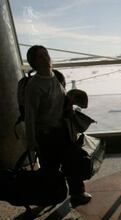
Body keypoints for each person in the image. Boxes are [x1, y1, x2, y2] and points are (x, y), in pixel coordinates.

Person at [24, 45, 92, 207]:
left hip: (62, 130)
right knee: (51, 168)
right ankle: (51, 196)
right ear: (34, 62)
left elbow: (60, 101)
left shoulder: (55, 76)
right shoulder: (34, 86)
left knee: (73, 161)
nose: (46, 58)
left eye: (46, 54)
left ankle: (76, 193)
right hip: (46, 135)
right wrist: (32, 141)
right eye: (40, 57)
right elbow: (30, 115)